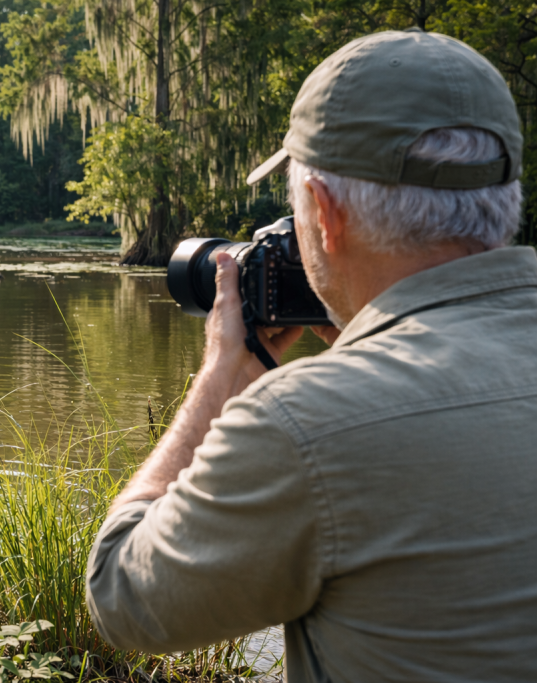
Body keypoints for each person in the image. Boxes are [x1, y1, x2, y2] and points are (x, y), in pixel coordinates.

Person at [85, 28, 537, 682]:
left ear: (324, 213)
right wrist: (365, 335)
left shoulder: (309, 421)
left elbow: (122, 596)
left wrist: (220, 378)